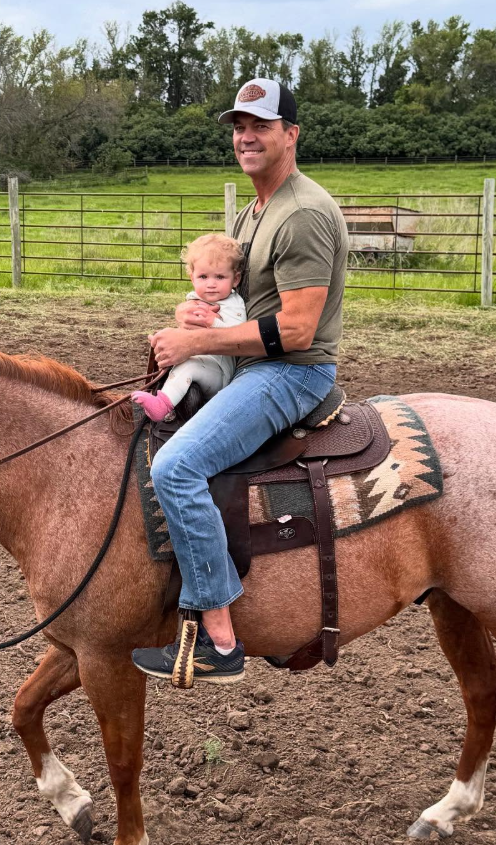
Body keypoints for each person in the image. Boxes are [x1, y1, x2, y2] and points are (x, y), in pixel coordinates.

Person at [131, 78, 349, 685]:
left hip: (290, 375)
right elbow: (239, 304)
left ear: (291, 135)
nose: (246, 137)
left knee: (175, 467)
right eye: (238, 127)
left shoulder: (302, 213)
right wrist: (193, 317)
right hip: (253, 364)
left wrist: (197, 343)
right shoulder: (254, 211)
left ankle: (220, 639)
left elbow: (300, 329)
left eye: (261, 125)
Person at [132, 234, 247, 421]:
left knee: (189, 365)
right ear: (192, 278)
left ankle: (163, 406)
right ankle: (169, 402)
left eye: (220, 277)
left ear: (235, 279)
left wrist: (213, 322)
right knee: (176, 360)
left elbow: (239, 333)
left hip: (218, 372)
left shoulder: (233, 303)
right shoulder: (193, 299)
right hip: (199, 362)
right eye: (203, 276)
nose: (211, 284)